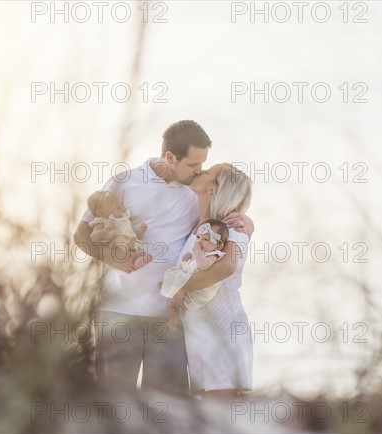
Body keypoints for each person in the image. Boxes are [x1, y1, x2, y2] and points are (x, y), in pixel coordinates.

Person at [73, 120, 254, 396]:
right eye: (193, 165)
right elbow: (82, 236)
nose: (199, 172)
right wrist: (115, 258)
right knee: (114, 401)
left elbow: (221, 214)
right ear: (170, 157)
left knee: (166, 408)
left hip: (169, 319)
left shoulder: (197, 192)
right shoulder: (125, 182)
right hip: (120, 312)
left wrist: (247, 222)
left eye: (202, 165)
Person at [175, 163, 254, 400]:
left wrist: (181, 287)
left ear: (213, 189)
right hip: (201, 336)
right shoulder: (199, 230)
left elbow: (227, 267)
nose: (201, 171)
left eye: (208, 172)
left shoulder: (231, 229)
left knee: (222, 424)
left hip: (222, 334)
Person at [159, 219, 229, 331]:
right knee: (170, 301)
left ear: (218, 247)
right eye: (198, 237)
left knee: (173, 297)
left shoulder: (213, 256)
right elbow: (192, 262)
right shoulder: (201, 251)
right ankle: (172, 322)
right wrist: (188, 256)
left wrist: (196, 252)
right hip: (188, 284)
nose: (199, 242)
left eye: (206, 239)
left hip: (195, 295)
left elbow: (202, 265)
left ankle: (170, 289)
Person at [86, 189, 151, 269]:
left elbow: (133, 234)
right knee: (118, 239)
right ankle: (135, 258)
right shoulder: (102, 221)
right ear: (101, 213)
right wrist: (105, 230)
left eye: (116, 200)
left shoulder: (125, 219)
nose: (116, 202)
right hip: (116, 248)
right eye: (111, 202)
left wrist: (140, 232)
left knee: (138, 246)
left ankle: (138, 261)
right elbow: (93, 237)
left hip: (130, 245)